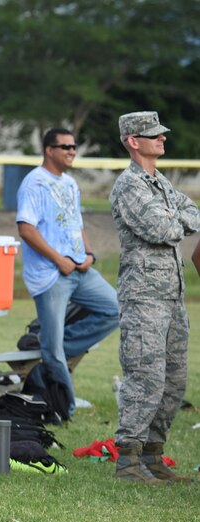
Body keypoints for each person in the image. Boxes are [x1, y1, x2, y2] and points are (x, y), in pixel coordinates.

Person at [110, 112, 200, 483]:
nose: (162, 139)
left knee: (174, 381)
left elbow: (193, 213)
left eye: (163, 133)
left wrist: (176, 218)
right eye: (153, 135)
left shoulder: (158, 182)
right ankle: (127, 460)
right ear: (133, 140)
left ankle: (153, 455)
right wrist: (175, 219)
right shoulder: (129, 186)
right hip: (144, 297)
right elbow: (163, 228)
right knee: (144, 378)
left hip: (172, 296)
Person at [16, 128, 119, 419]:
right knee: (54, 350)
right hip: (51, 274)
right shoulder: (35, 182)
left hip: (79, 269)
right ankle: (66, 407)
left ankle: (52, 347)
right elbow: (26, 229)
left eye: (74, 146)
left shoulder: (70, 183)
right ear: (49, 150)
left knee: (115, 309)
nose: (72, 151)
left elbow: (77, 223)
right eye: (66, 147)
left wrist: (89, 254)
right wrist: (58, 260)